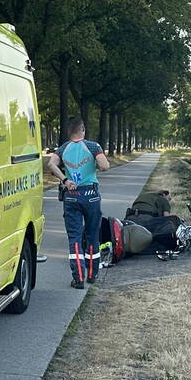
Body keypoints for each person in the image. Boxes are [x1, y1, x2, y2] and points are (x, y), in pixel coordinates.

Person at [47, 117, 110, 288]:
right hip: (91, 195)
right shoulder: (92, 146)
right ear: (82, 129)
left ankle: (79, 278)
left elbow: (51, 164)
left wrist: (65, 180)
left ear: (68, 131)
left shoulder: (63, 148)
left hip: (72, 195)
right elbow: (105, 166)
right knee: (92, 235)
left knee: (74, 237)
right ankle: (92, 274)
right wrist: (93, 163)